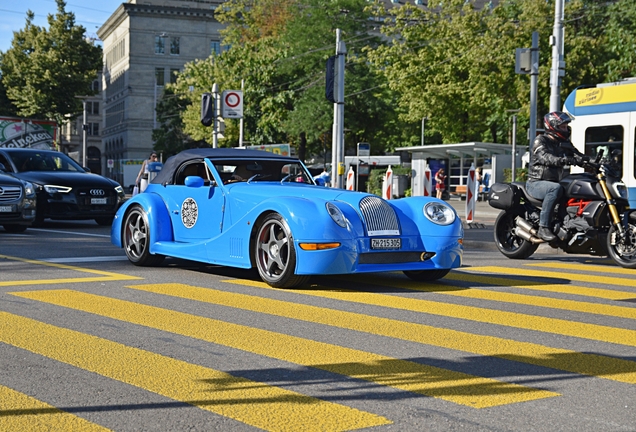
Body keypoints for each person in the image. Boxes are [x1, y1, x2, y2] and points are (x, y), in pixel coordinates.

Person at [526, 111, 589, 242]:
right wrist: (563, 160)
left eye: (566, 126)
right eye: (563, 126)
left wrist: (594, 162)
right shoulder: (540, 140)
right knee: (554, 189)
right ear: (552, 126)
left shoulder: (564, 143)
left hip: (554, 182)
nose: (566, 129)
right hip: (536, 183)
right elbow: (545, 157)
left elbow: (578, 156)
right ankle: (543, 227)